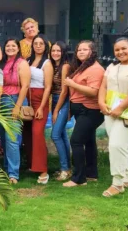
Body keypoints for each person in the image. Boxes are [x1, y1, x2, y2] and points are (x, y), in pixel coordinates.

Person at [98, 38, 128, 197]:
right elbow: (103, 86)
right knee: (122, 145)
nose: (120, 52)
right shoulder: (112, 67)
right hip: (111, 112)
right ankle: (126, 178)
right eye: (117, 50)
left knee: (115, 145)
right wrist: (101, 103)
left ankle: (117, 183)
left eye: (124, 48)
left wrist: (120, 108)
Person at [63, 40, 105, 188]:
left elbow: (94, 92)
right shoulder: (83, 67)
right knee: (89, 141)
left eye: (85, 49)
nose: (80, 52)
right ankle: (91, 173)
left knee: (76, 141)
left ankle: (78, 179)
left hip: (90, 111)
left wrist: (72, 84)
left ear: (92, 52)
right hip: (81, 110)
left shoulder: (95, 69)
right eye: (79, 49)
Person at [0, 38, 31, 184]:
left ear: (18, 48)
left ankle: (13, 174)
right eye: (7, 45)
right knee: (4, 138)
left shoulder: (22, 63)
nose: (10, 48)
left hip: (14, 99)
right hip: (1, 101)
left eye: (13, 46)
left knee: (12, 138)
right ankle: (6, 168)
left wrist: (17, 106)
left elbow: (25, 86)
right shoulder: (1, 63)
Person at [23, 34, 53, 184]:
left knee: (37, 133)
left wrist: (41, 107)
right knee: (27, 133)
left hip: (40, 99)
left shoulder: (47, 63)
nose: (38, 46)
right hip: (27, 97)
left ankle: (43, 170)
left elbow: (48, 87)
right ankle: (32, 165)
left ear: (45, 45)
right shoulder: (28, 60)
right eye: (36, 43)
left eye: (41, 43)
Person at [50, 41, 72, 181]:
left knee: (55, 135)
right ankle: (67, 168)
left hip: (63, 101)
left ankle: (65, 169)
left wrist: (56, 109)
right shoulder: (54, 65)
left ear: (63, 52)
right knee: (62, 134)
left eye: (58, 51)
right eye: (53, 50)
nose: (55, 53)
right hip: (55, 100)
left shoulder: (65, 66)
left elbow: (64, 91)